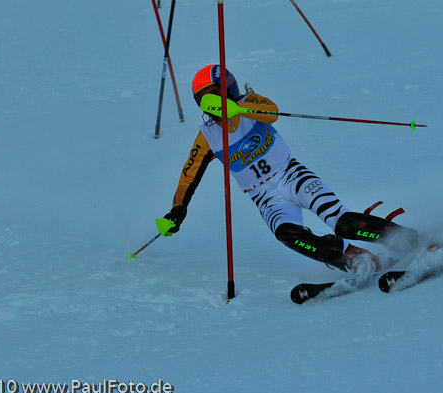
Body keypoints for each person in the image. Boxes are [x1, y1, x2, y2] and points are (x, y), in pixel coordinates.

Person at [161, 64, 420, 273]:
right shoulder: (208, 135)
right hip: (265, 198)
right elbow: (189, 175)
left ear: (229, 88)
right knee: (287, 233)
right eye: (204, 100)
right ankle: (355, 258)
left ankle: (411, 240)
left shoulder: (249, 102)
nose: (211, 105)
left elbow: (271, 112)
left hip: (291, 175)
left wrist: (238, 107)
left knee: (345, 223)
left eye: (215, 96)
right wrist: (177, 210)